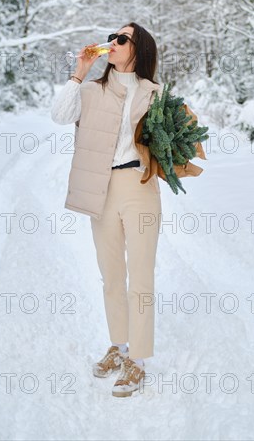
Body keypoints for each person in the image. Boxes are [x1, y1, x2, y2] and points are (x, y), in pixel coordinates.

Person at [51, 22, 165, 398]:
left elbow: (171, 142)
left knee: (141, 276)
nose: (112, 43)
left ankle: (140, 359)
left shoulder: (155, 93)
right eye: (112, 37)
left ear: (138, 49)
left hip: (140, 187)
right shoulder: (90, 89)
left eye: (122, 39)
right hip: (102, 188)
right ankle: (119, 346)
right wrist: (79, 71)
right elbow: (59, 114)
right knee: (111, 275)